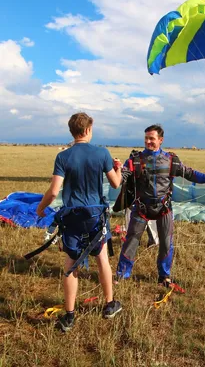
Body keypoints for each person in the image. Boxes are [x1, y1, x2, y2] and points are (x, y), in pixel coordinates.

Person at [36, 112, 123, 332]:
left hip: (72, 218)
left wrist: (40, 208)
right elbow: (115, 184)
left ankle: (69, 316)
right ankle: (109, 305)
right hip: (95, 217)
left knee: (70, 264)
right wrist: (119, 168)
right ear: (87, 130)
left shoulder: (63, 157)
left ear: (72, 131)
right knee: (102, 258)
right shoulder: (102, 153)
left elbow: (54, 190)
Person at [115, 124, 205, 286]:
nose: (148, 142)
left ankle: (164, 276)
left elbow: (191, 174)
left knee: (166, 243)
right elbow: (122, 176)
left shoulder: (171, 160)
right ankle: (122, 274)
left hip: (164, 208)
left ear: (160, 140)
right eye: (146, 138)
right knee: (131, 241)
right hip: (141, 208)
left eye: (152, 139)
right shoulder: (135, 160)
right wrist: (115, 169)